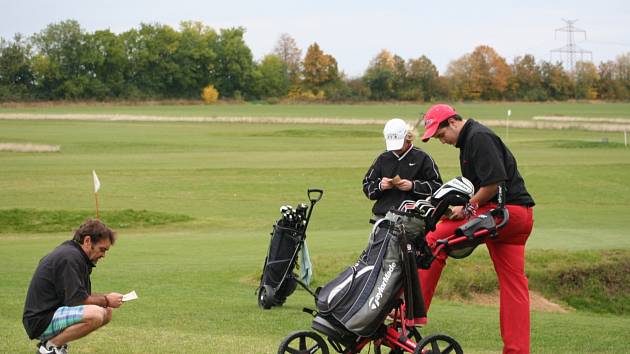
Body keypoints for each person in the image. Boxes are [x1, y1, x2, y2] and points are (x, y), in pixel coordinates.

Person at [419, 104, 535, 354]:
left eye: (441, 135)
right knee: (513, 286)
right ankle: (517, 351)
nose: (442, 141)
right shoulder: (471, 140)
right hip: (519, 216)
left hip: (504, 213)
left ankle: (410, 320)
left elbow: (493, 184)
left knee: (432, 240)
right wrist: (465, 206)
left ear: (452, 122)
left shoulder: (478, 137)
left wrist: (468, 208)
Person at [23, 219, 124, 354]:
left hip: (50, 314)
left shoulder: (74, 255)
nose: (103, 255)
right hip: (40, 320)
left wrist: (107, 300)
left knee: (106, 311)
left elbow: (81, 296)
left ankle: (56, 345)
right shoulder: (70, 257)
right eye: (102, 249)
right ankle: (50, 347)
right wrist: (106, 299)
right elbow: (77, 300)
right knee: (96, 314)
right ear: (87, 241)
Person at [363, 118, 442, 223]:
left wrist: (413, 186)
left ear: (408, 137)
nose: (396, 148)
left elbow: (437, 187)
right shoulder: (382, 158)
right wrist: (380, 186)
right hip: (383, 217)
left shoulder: (423, 157)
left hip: (413, 218)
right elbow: (367, 187)